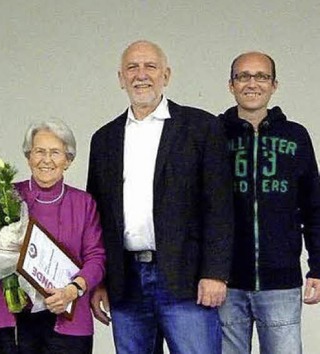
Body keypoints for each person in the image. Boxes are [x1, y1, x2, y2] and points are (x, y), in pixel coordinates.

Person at [86, 40, 234, 353]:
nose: (141, 75)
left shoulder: (200, 127)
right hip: (126, 282)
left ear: (166, 75)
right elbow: (95, 216)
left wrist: (215, 273)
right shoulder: (104, 139)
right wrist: (99, 280)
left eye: (150, 66)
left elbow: (219, 206)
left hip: (187, 279)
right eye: (132, 67)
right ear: (120, 78)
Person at [218, 51, 320, 353]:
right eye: (243, 76)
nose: (252, 83)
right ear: (231, 85)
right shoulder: (213, 134)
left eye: (261, 76)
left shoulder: (296, 136)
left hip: (281, 283)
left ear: (274, 84)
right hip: (225, 284)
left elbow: (314, 207)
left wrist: (317, 266)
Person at [0, 120, 106, 354]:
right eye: (39, 151)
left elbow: (96, 258)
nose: (46, 160)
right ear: (28, 157)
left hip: (67, 314)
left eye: (55, 152)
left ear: (68, 160)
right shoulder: (5, 196)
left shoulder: (84, 203)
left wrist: (73, 290)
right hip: (6, 315)